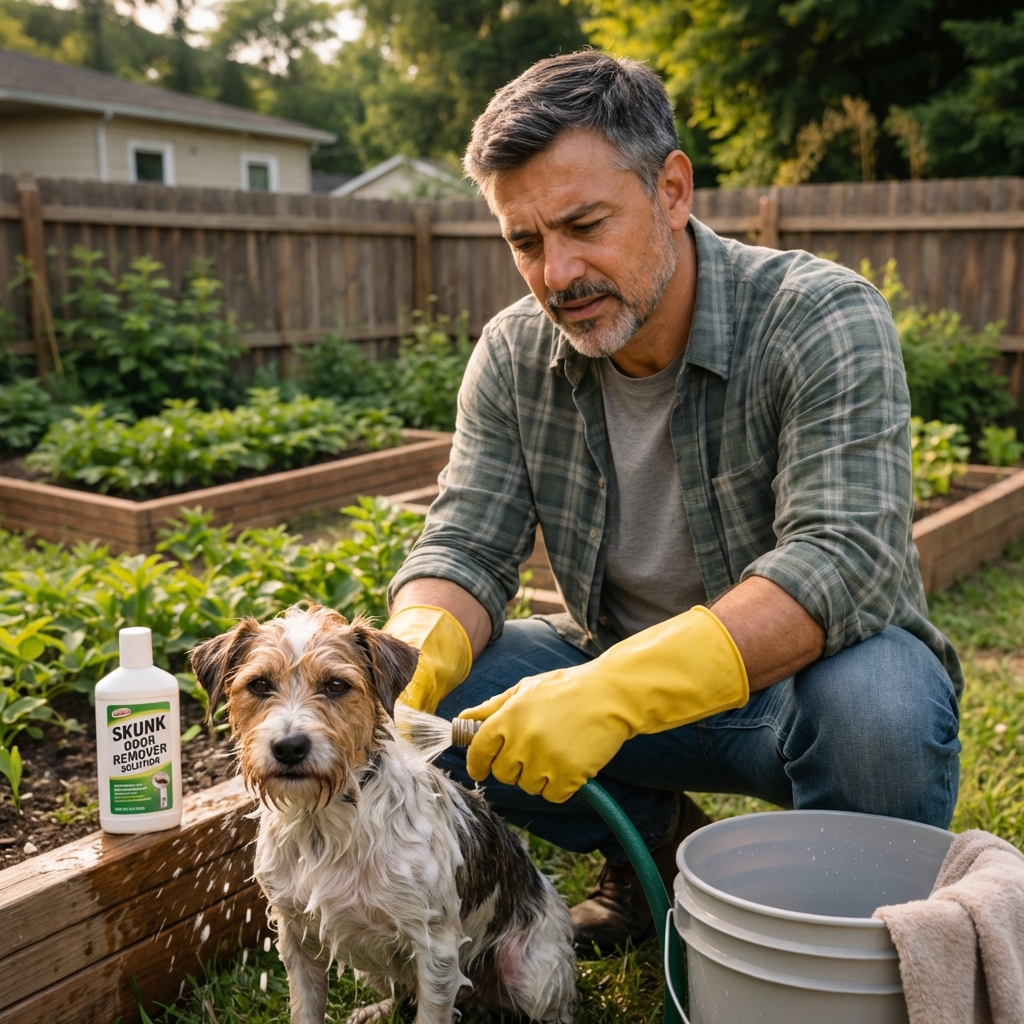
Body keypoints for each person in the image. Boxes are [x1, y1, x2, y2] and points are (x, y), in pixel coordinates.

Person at [383, 50, 963, 952]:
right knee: (430, 713)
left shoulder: (819, 315)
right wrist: (407, 659)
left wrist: (612, 692)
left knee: (885, 705)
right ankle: (658, 853)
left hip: (801, 695)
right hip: (609, 667)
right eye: (526, 242)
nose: (558, 273)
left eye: (584, 224)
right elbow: (463, 546)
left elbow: (839, 560)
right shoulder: (511, 355)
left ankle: (840, 929)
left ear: (673, 190)